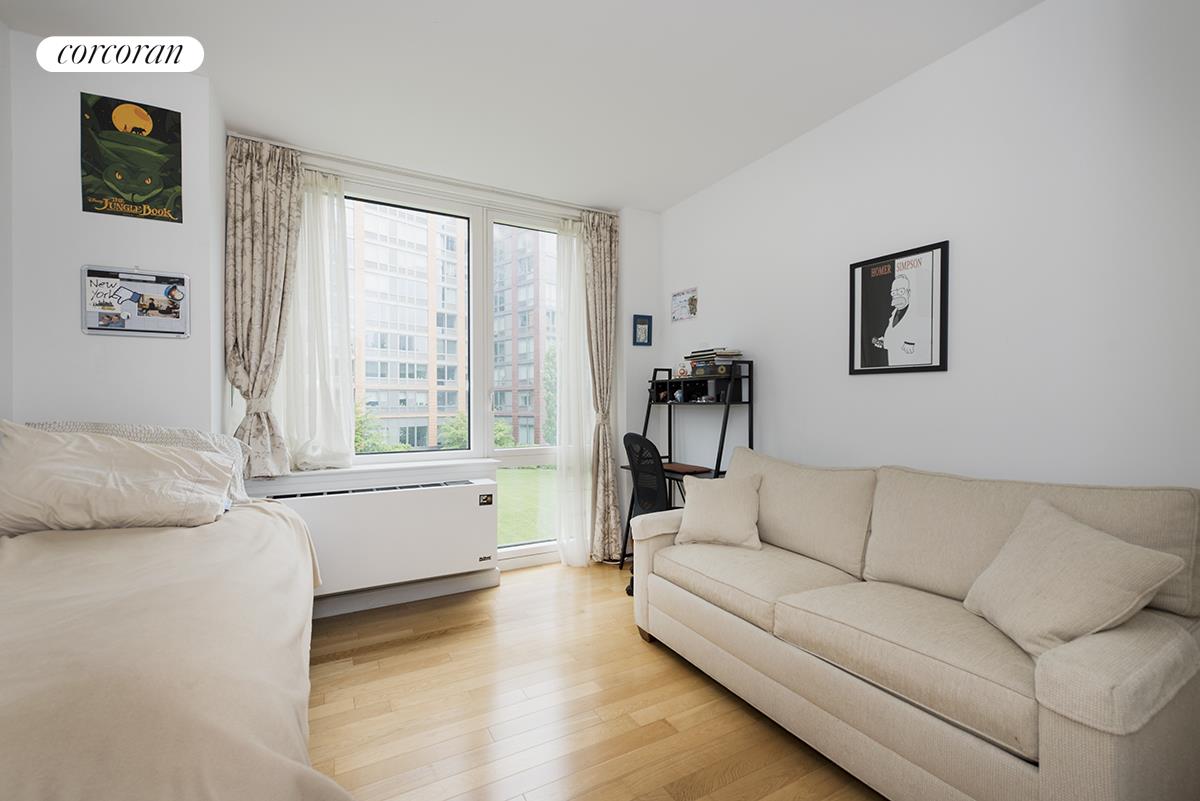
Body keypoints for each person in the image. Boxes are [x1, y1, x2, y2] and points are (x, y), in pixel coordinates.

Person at [871, 274, 930, 366]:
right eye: (894, 293)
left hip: (914, 366)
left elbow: (928, 334)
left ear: (909, 293)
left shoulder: (919, 313)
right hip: (895, 364)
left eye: (901, 291)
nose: (897, 296)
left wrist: (911, 341)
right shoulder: (894, 313)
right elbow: (895, 334)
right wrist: (885, 340)